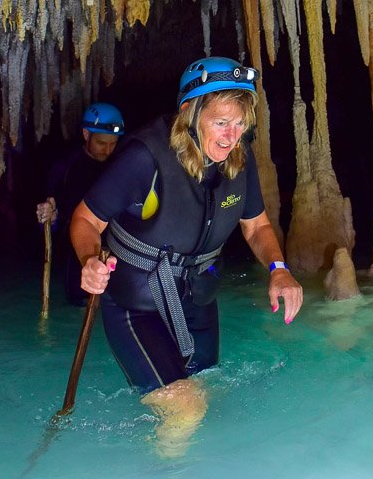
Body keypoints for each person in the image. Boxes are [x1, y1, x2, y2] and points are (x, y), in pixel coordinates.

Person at [70, 57, 303, 456]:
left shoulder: (239, 160)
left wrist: (279, 269)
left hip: (197, 296)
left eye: (240, 123)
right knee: (185, 408)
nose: (232, 136)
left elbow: (257, 226)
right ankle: (164, 467)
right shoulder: (144, 157)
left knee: (208, 393)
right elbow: (86, 219)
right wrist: (89, 259)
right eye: (221, 122)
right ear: (189, 113)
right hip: (134, 302)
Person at [36, 102, 125, 305]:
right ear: (86, 135)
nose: (108, 150)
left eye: (113, 143)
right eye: (102, 143)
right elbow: (52, 216)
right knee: (81, 307)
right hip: (79, 253)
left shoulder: (121, 165)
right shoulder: (66, 168)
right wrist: (50, 216)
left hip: (116, 251)